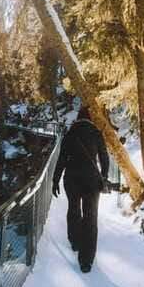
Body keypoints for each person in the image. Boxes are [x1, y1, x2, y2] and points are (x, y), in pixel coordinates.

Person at [52, 106, 108, 273]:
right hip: (92, 180)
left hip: (72, 178)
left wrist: (55, 180)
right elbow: (104, 158)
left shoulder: (71, 133)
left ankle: (75, 240)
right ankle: (86, 260)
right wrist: (104, 177)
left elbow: (62, 158)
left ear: (77, 118)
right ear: (90, 118)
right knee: (91, 216)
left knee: (73, 208)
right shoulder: (96, 132)